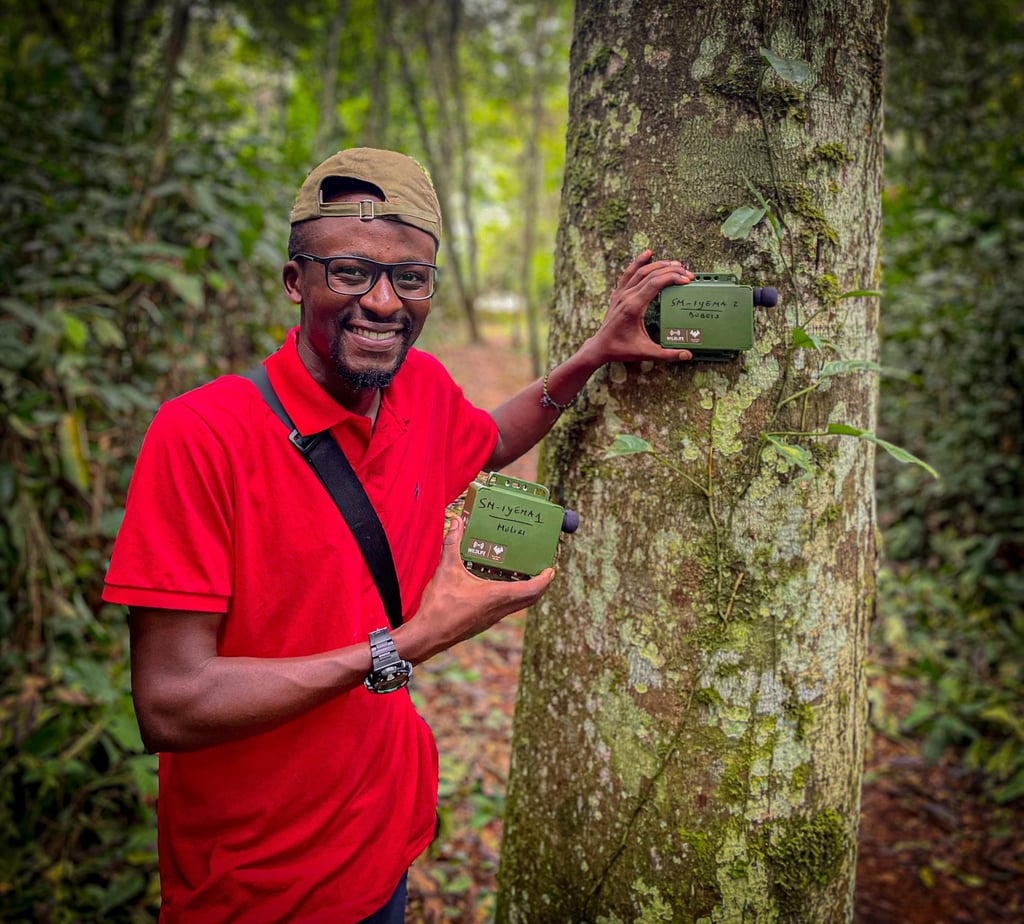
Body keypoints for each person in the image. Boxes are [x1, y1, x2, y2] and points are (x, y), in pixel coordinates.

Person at [103, 147, 695, 923]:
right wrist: (408, 642)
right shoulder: (202, 435)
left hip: (386, 841)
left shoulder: (420, 390)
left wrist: (594, 355)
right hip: (258, 884)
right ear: (295, 281)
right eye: (350, 272)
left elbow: (488, 441)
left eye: (409, 278)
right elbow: (171, 703)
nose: (383, 302)